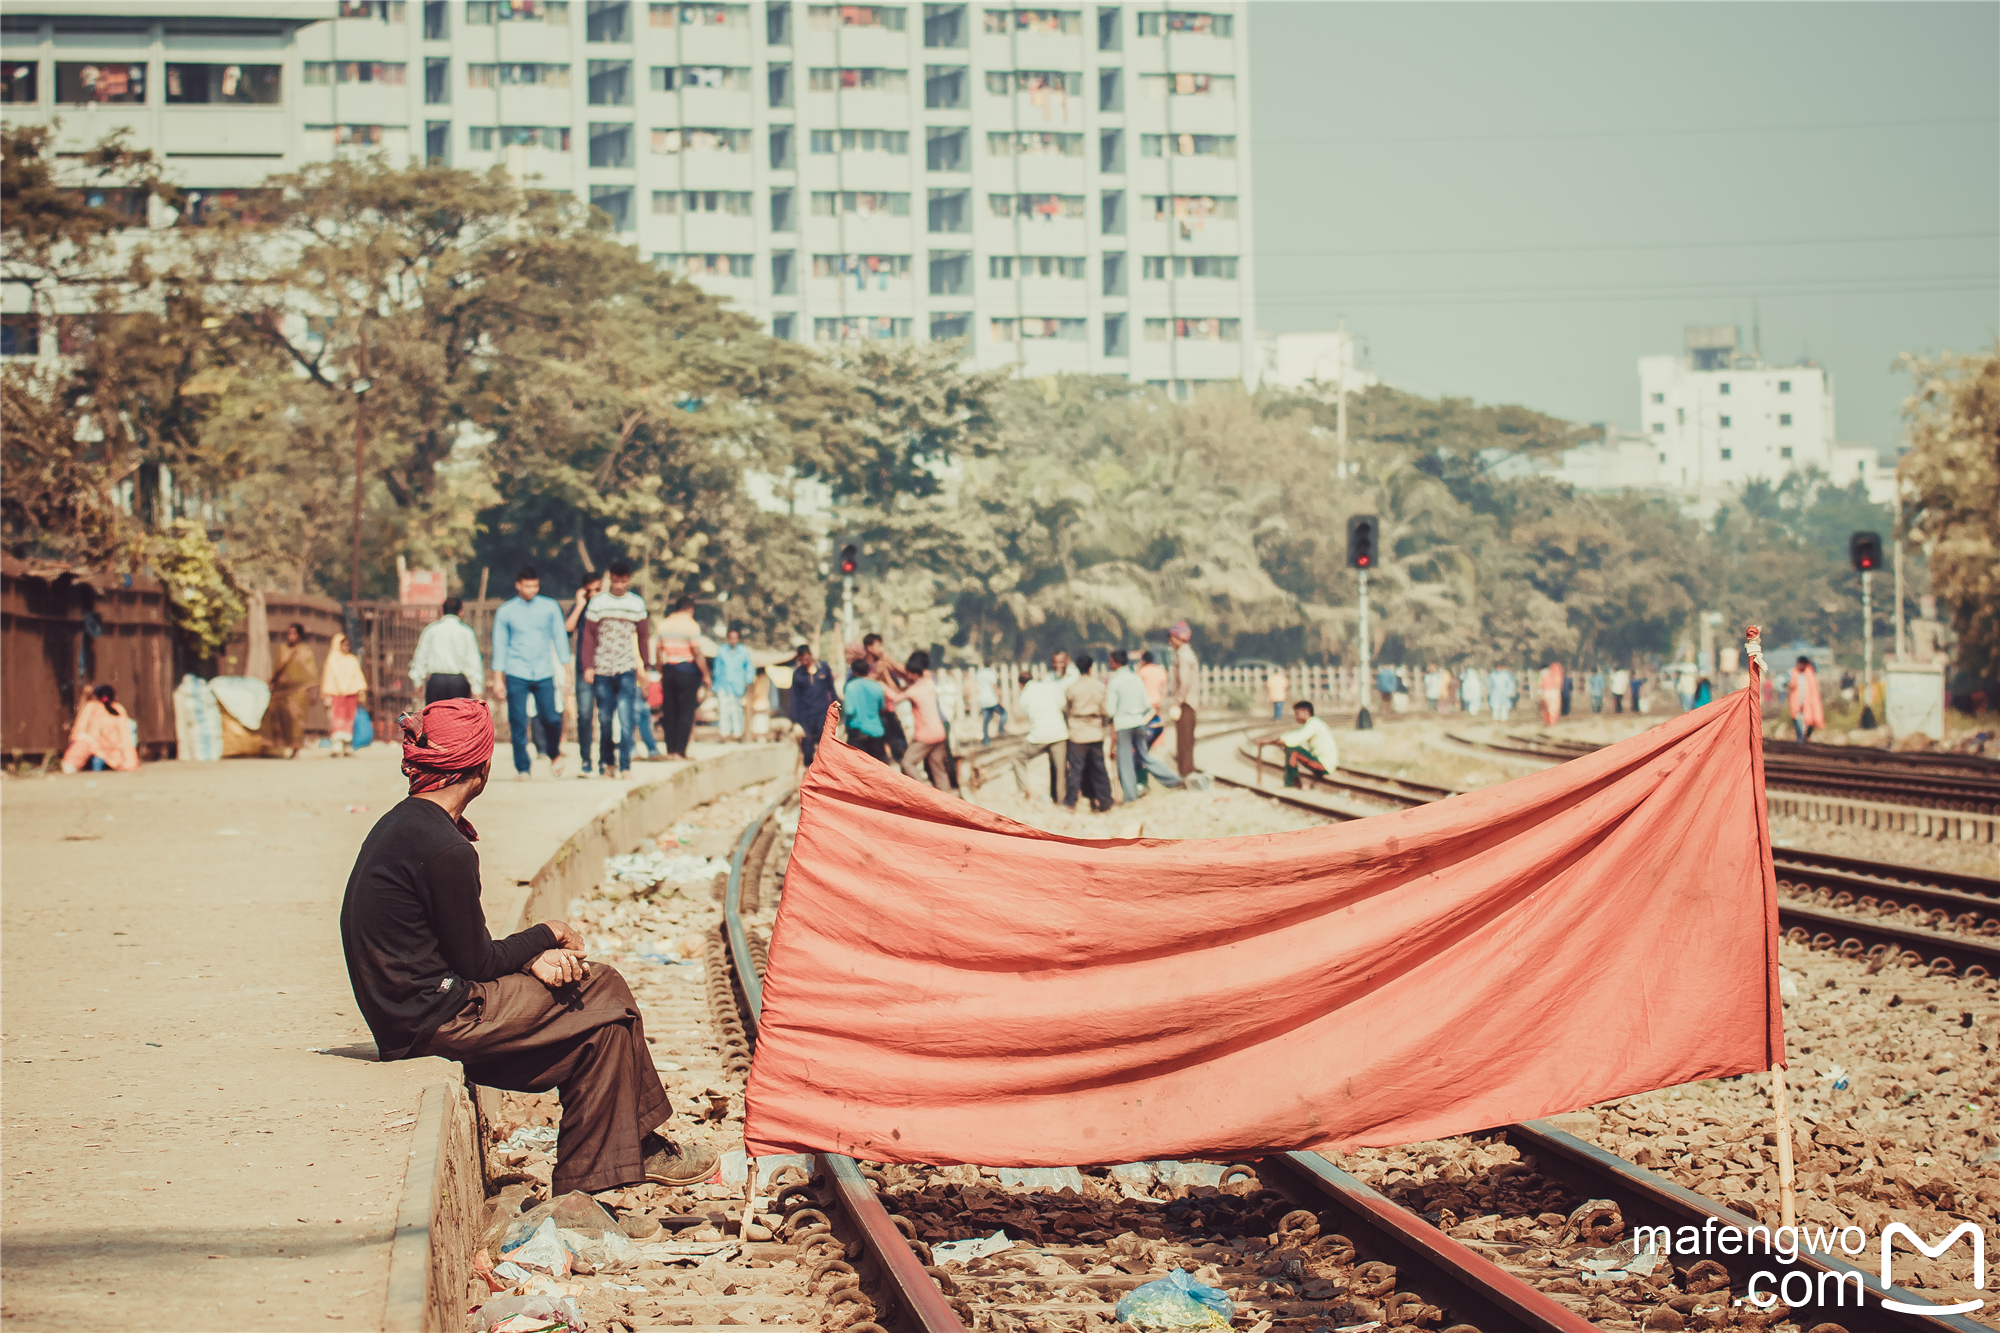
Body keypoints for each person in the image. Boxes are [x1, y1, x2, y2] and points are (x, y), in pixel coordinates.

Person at [339, 697, 716, 1196]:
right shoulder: (445, 848)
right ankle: (641, 1141)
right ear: (481, 766)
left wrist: (531, 958)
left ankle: (585, 1193)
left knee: (597, 1039)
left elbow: (466, 954)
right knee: (602, 984)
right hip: (435, 1015)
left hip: (409, 1010)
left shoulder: (406, 825)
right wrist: (549, 933)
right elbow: (477, 962)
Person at [489, 567, 571, 781]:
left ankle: (554, 753)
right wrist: (498, 679)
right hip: (517, 671)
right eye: (527, 585)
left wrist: (566, 671)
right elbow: (500, 645)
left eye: (535, 585)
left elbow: (560, 639)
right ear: (518, 585)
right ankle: (523, 768)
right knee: (518, 720)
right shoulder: (506, 611)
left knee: (551, 718)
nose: (532, 589)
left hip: (544, 671)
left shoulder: (550, 607)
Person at [579, 561, 651, 780]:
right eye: (615, 581)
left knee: (626, 716)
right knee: (605, 718)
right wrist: (588, 665)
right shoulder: (598, 603)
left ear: (628, 580)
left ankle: (626, 765)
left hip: (626, 667)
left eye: (623, 581)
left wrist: (645, 666)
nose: (619, 586)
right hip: (602, 669)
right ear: (610, 578)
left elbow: (643, 636)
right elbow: (589, 636)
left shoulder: (636, 604)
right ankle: (607, 763)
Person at [884, 650, 952, 791]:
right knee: (938, 770)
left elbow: (896, 697)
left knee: (907, 763)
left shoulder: (914, 690)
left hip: (925, 736)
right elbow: (905, 682)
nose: (906, 675)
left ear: (914, 673)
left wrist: (881, 683)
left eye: (909, 672)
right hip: (940, 733)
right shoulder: (929, 682)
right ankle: (948, 798)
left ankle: (925, 790)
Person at [653, 596, 711, 760]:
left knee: (670, 711)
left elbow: (658, 652)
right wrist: (706, 674)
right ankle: (680, 751)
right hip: (687, 670)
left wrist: (660, 671)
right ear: (690, 609)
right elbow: (697, 653)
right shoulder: (691, 626)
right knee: (685, 712)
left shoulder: (663, 625)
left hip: (669, 670)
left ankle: (670, 751)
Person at [1062, 653, 1114, 812]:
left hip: (1078, 734)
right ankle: (1105, 801)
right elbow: (1105, 710)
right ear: (1091, 668)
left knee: (1076, 770)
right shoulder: (1099, 686)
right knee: (1099, 769)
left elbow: (1066, 710)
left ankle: (1071, 802)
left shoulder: (1072, 688)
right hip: (1095, 732)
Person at [564, 574, 604, 775]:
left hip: (607, 667)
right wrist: (580, 605)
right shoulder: (581, 607)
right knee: (585, 715)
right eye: (590, 591)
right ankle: (586, 760)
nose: (594, 594)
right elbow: (567, 629)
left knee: (606, 717)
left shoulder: (608, 606)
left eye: (598, 589)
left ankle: (606, 761)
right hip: (583, 669)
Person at [1012, 666, 1070, 803]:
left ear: (1020, 684)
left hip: (1039, 736)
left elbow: (1027, 715)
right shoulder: (1049, 687)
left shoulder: (1024, 696)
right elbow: (1062, 704)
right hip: (1059, 733)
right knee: (1060, 770)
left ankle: (1024, 791)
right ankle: (1061, 800)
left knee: (1018, 758)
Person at [408, 599, 482, 706]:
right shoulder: (467, 632)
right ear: (460, 612)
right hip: (459, 684)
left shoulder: (430, 630)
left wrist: (417, 681)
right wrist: (476, 688)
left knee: (436, 720)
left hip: (436, 683)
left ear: (441, 611)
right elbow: (473, 662)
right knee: (457, 720)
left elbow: (421, 657)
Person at [264, 621, 320, 757]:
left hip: (299, 691)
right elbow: (277, 669)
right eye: (288, 633)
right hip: (281, 690)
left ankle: (296, 749)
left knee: (296, 719)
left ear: (300, 636)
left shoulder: (305, 651)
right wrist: (272, 683)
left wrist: (313, 692)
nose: (290, 636)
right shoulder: (283, 649)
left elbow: (311, 673)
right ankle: (279, 747)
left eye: (294, 634)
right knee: (278, 717)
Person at [1107, 649, 1154, 804]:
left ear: (1116, 662)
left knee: (1125, 762)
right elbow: (1146, 704)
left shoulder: (1114, 681)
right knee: (1145, 757)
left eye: (1110, 660)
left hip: (1123, 725)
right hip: (1139, 721)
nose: (1108, 663)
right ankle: (1172, 780)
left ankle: (1130, 797)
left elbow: (1110, 710)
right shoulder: (1136, 678)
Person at [62, 682, 139, 772]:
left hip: (92, 746)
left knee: (82, 743)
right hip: (113, 751)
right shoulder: (118, 708)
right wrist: (130, 762)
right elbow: (125, 736)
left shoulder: (91, 706)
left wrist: (74, 739)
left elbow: (80, 727)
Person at [862, 634, 912, 761]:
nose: (881, 649)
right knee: (876, 756)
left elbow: (896, 684)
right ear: (869, 647)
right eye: (878, 646)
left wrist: (885, 671)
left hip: (888, 712)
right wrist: (876, 675)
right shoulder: (862, 665)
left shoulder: (884, 660)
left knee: (900, 748)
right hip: (871, 715)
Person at [786, 644, 838, 766]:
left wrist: (836, 712)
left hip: (823, 714)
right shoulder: (798, 674)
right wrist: (795, 723)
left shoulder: (823, 668)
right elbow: (794, 698)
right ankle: (809, 775)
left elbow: (832, 691)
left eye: (806, 657)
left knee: (825, 748)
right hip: (806, 716)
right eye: (801, 659)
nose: (804, 661)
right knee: (807, 750)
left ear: (810, 655)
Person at [321, 633, 369, 758]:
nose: (346, 647)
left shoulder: (352, 660)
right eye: (343, 645)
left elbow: (357, 676)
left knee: (349, 719)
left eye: (348, 645)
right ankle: (337, 746)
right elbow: (328, 678)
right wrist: (326, 694)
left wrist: (360, 691)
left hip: (350, 695)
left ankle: (347, 746)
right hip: (336, 694)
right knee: (336, 719)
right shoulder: (332, 660)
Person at [1165, 621, 1200, 780]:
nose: (1170, 641)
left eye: (1171, 637)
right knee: (1186, 741)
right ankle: (1187, 773)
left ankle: (1185, 775)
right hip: (1188, 703)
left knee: (1184, 743)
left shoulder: (1184, 656)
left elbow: (1183, 682)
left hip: (1185, 704)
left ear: (1179, 638)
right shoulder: (1186, 654)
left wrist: (1177, 702)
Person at [711, 625, 756, 744]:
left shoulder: (744, 651)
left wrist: (748, 680)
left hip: (737, 686)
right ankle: (724, 734)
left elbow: (750, 668)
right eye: (731, 637)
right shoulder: (721, 650)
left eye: (735, 637)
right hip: (723, 685)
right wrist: (715, 686)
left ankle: (737, 734)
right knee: (723, 709)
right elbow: (717, 668)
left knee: (736, 710)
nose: (733, 640)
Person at [1279, 699, 1338, 789]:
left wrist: (1279, 741)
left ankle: (1291, 784)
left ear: (1306, 712)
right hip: (1323, 762)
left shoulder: (1314, 724)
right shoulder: (1313, 723)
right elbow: (1296, 733)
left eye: (1297, 714)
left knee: (1293, 750)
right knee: (1291, 748)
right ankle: (1294, 782)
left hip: (1324, 765)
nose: (1295, 717)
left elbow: (1296, 738)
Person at [842, 658, 890, 762]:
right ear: (868, 671)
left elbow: (849, 710)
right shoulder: (877, 686)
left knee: (857, 766)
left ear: (855, 672)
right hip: (876, 731)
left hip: (857, 733)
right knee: (878, 765)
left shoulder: (850, 687)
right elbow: (882, 707)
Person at [1788, 655, 1824, 742]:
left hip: (1809, 702)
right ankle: (1800, 739)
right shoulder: (1792, 672)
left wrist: (1810, 661)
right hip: (1797, 701)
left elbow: (1816, 665)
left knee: (1811, 721)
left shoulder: (1810, 673)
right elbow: (1785, 683)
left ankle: (1805, 737)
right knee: (1797, 721)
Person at [974, 663, 1005, 744]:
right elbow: (994, 687)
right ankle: (1001, 730)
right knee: (1004, 714)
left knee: (986, 722)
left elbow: (976, 687)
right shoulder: (991, 673)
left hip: (983, 701)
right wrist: (1000, 699)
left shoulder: (978, 673)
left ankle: (986, 741)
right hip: (993, 700)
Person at [1538, 658, 1564, 727]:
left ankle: (1547, 722)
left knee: (1545, 708)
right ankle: (1552, 723)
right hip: (1554, 692)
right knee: (1553, 708)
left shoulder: (1544, 674)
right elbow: (1559, 684)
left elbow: (1541, 684)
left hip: (1545, 692)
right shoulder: (1556, 675)